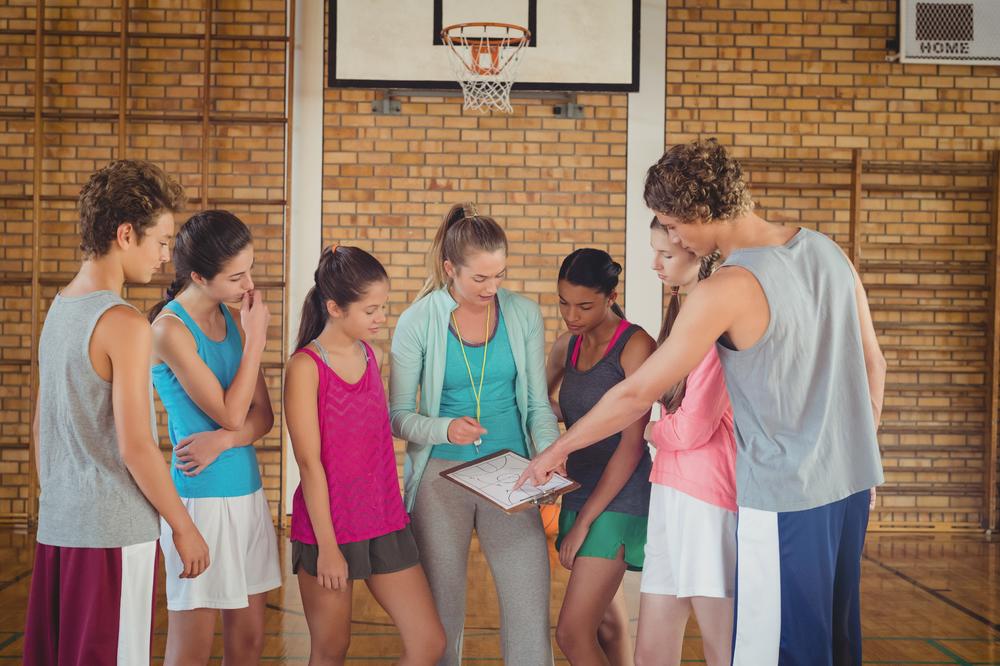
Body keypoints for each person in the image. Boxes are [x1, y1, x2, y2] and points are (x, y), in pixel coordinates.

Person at [519, 138, 885, 666]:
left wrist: (556, 452)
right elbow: (876, 365)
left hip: (785, 499)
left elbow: (639, 392)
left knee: (772, 653)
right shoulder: (828, 251)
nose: (672, 236)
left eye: (670, 224)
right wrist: (861, 461)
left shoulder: (727, 288)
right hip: (850, 488)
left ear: (698, 213)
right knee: (833, 646)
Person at [24, 160, 210, 666]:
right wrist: (184, 526)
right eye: (162, 241)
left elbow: (40, 426)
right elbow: (135, 447)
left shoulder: (59, 308)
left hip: (59, 529)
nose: (167, 257)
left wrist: (64, 500)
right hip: (112, 536)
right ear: (126, 234)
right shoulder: (125, 323)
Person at [390, 203, 558, 665]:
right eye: (480, 279)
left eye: (499, 276)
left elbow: (538, 405)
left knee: (528, 610)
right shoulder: (417, 321)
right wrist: (444, 428)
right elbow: (399, 416)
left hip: (511, 475)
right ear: (450, 269)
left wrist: (546, 453)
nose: (492, 288)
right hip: (440, 478)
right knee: (442, 617)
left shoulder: (522, 315)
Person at [286, 245, 445, 665]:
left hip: (383, 521)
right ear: (335, 307)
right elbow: (309, 464)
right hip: (328, 530)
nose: (381, 319)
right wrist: (328, 547)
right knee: (331, 650)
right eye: (371, 310)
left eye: (383, 307)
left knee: (429, 643)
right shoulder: (305, 367)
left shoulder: (372, 356)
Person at [149, 210, 280, 665]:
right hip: (200, 503)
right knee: (192, 652)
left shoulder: (234, 320)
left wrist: (224, 442)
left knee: (248, 646)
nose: (249, 287)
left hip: (247, 494)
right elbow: (229, 411)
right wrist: (256, 341)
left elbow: (262, 417)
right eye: (236, 277)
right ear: (200, 276)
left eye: (251, 271)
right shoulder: (169, 330)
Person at [546, 249, 655, 665]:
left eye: (584, 305)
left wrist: (584, 524)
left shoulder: (636, 345)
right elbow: (543, 407)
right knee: (605, 626)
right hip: (578, 492)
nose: (571, 315)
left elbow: (631, 444)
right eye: (563, 302)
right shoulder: (566, 348)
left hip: (620, 497)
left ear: (611, 297)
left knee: (572, 634)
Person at [634, 221, 735, 666]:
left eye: (667, 255)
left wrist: (651, 431)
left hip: (707, 498)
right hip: (671, 489)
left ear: (698, 252)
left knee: (723, 645)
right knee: (651, 649)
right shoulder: (683, 314)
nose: (655, 264)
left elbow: (692, 429)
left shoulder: (713, 328)